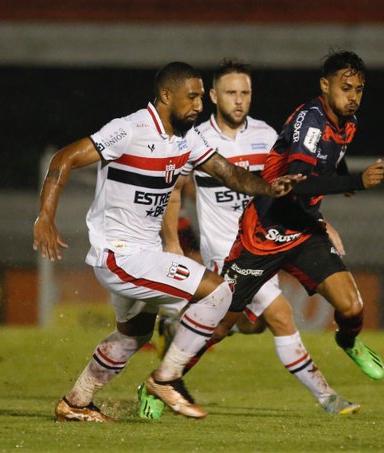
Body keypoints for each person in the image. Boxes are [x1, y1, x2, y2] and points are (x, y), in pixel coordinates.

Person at [33, 62, 303, 422]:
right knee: (220, 292)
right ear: (165, 96)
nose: (198, 105)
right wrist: (45, 217)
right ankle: (167, 378)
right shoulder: (129, 130)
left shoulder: (187, 138)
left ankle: (76, 402)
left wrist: (269, 187)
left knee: (134, 334)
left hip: (143, 254)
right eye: (191, 97)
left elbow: (229, 173)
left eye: (199, 97)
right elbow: (63, 158)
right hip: (121, 254)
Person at [144, 59, 360, 417]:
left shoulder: (266, 134)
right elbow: (175, 189)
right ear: (213, 96)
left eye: (245, 93)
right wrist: (171, 243)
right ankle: (328, 398)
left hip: (264, 240)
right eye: (230, 93)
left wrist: (320, 222)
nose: (239, 100)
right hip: (224, 249)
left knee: (244, 324)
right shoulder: (198, 138)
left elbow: (295, 188)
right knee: (280, 315)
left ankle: (174, 341)